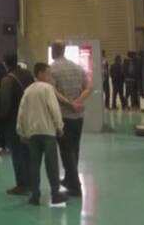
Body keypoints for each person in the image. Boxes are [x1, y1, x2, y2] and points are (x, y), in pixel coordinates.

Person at [17, 62, 66, 207]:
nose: (50, 77)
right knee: (52, 166)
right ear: (39, 74)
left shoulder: (28, 90)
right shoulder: (47, 89)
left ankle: (35, 196)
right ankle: (55, 194)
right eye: (48, 73)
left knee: (34, 165)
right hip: (48, 132)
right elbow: (54, 109)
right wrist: (59, 126)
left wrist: (21, 131)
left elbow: (21, 113)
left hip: (33, 134)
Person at [49, 41, 90, 197]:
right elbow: (89, 87)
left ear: (54, 50)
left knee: (66, 151)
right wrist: (78, 101)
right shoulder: (77, 67)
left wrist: (69, 103)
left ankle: (75, 186)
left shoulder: (52, 69)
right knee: (75, 148)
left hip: (64, 116)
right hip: (78, 116)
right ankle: (68, 178)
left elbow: (53, 91)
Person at [0, 54, 35, 195]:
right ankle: (31, 182)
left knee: (17, 153)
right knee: (28, 152)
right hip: (29, 118)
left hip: (14, 121)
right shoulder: (28, 74)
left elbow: (5, 103)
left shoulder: (7, 80)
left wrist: (0, 118)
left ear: (5, 64)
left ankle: (22, 184)